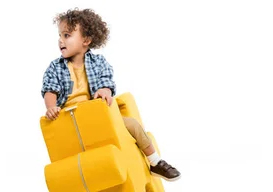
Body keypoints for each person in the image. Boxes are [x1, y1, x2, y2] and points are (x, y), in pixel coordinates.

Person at [40, 8, 181, 181]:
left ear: (86, 40)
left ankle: (155, 162)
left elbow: (106, 83)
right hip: (71, 122)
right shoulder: (56, 67)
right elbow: (50, 90)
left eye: (67, 35)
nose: (60, 40)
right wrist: (51, 107)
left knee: (132, 125)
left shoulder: (98, 63)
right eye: (60, 36)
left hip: (96, 115)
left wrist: (104, 91)